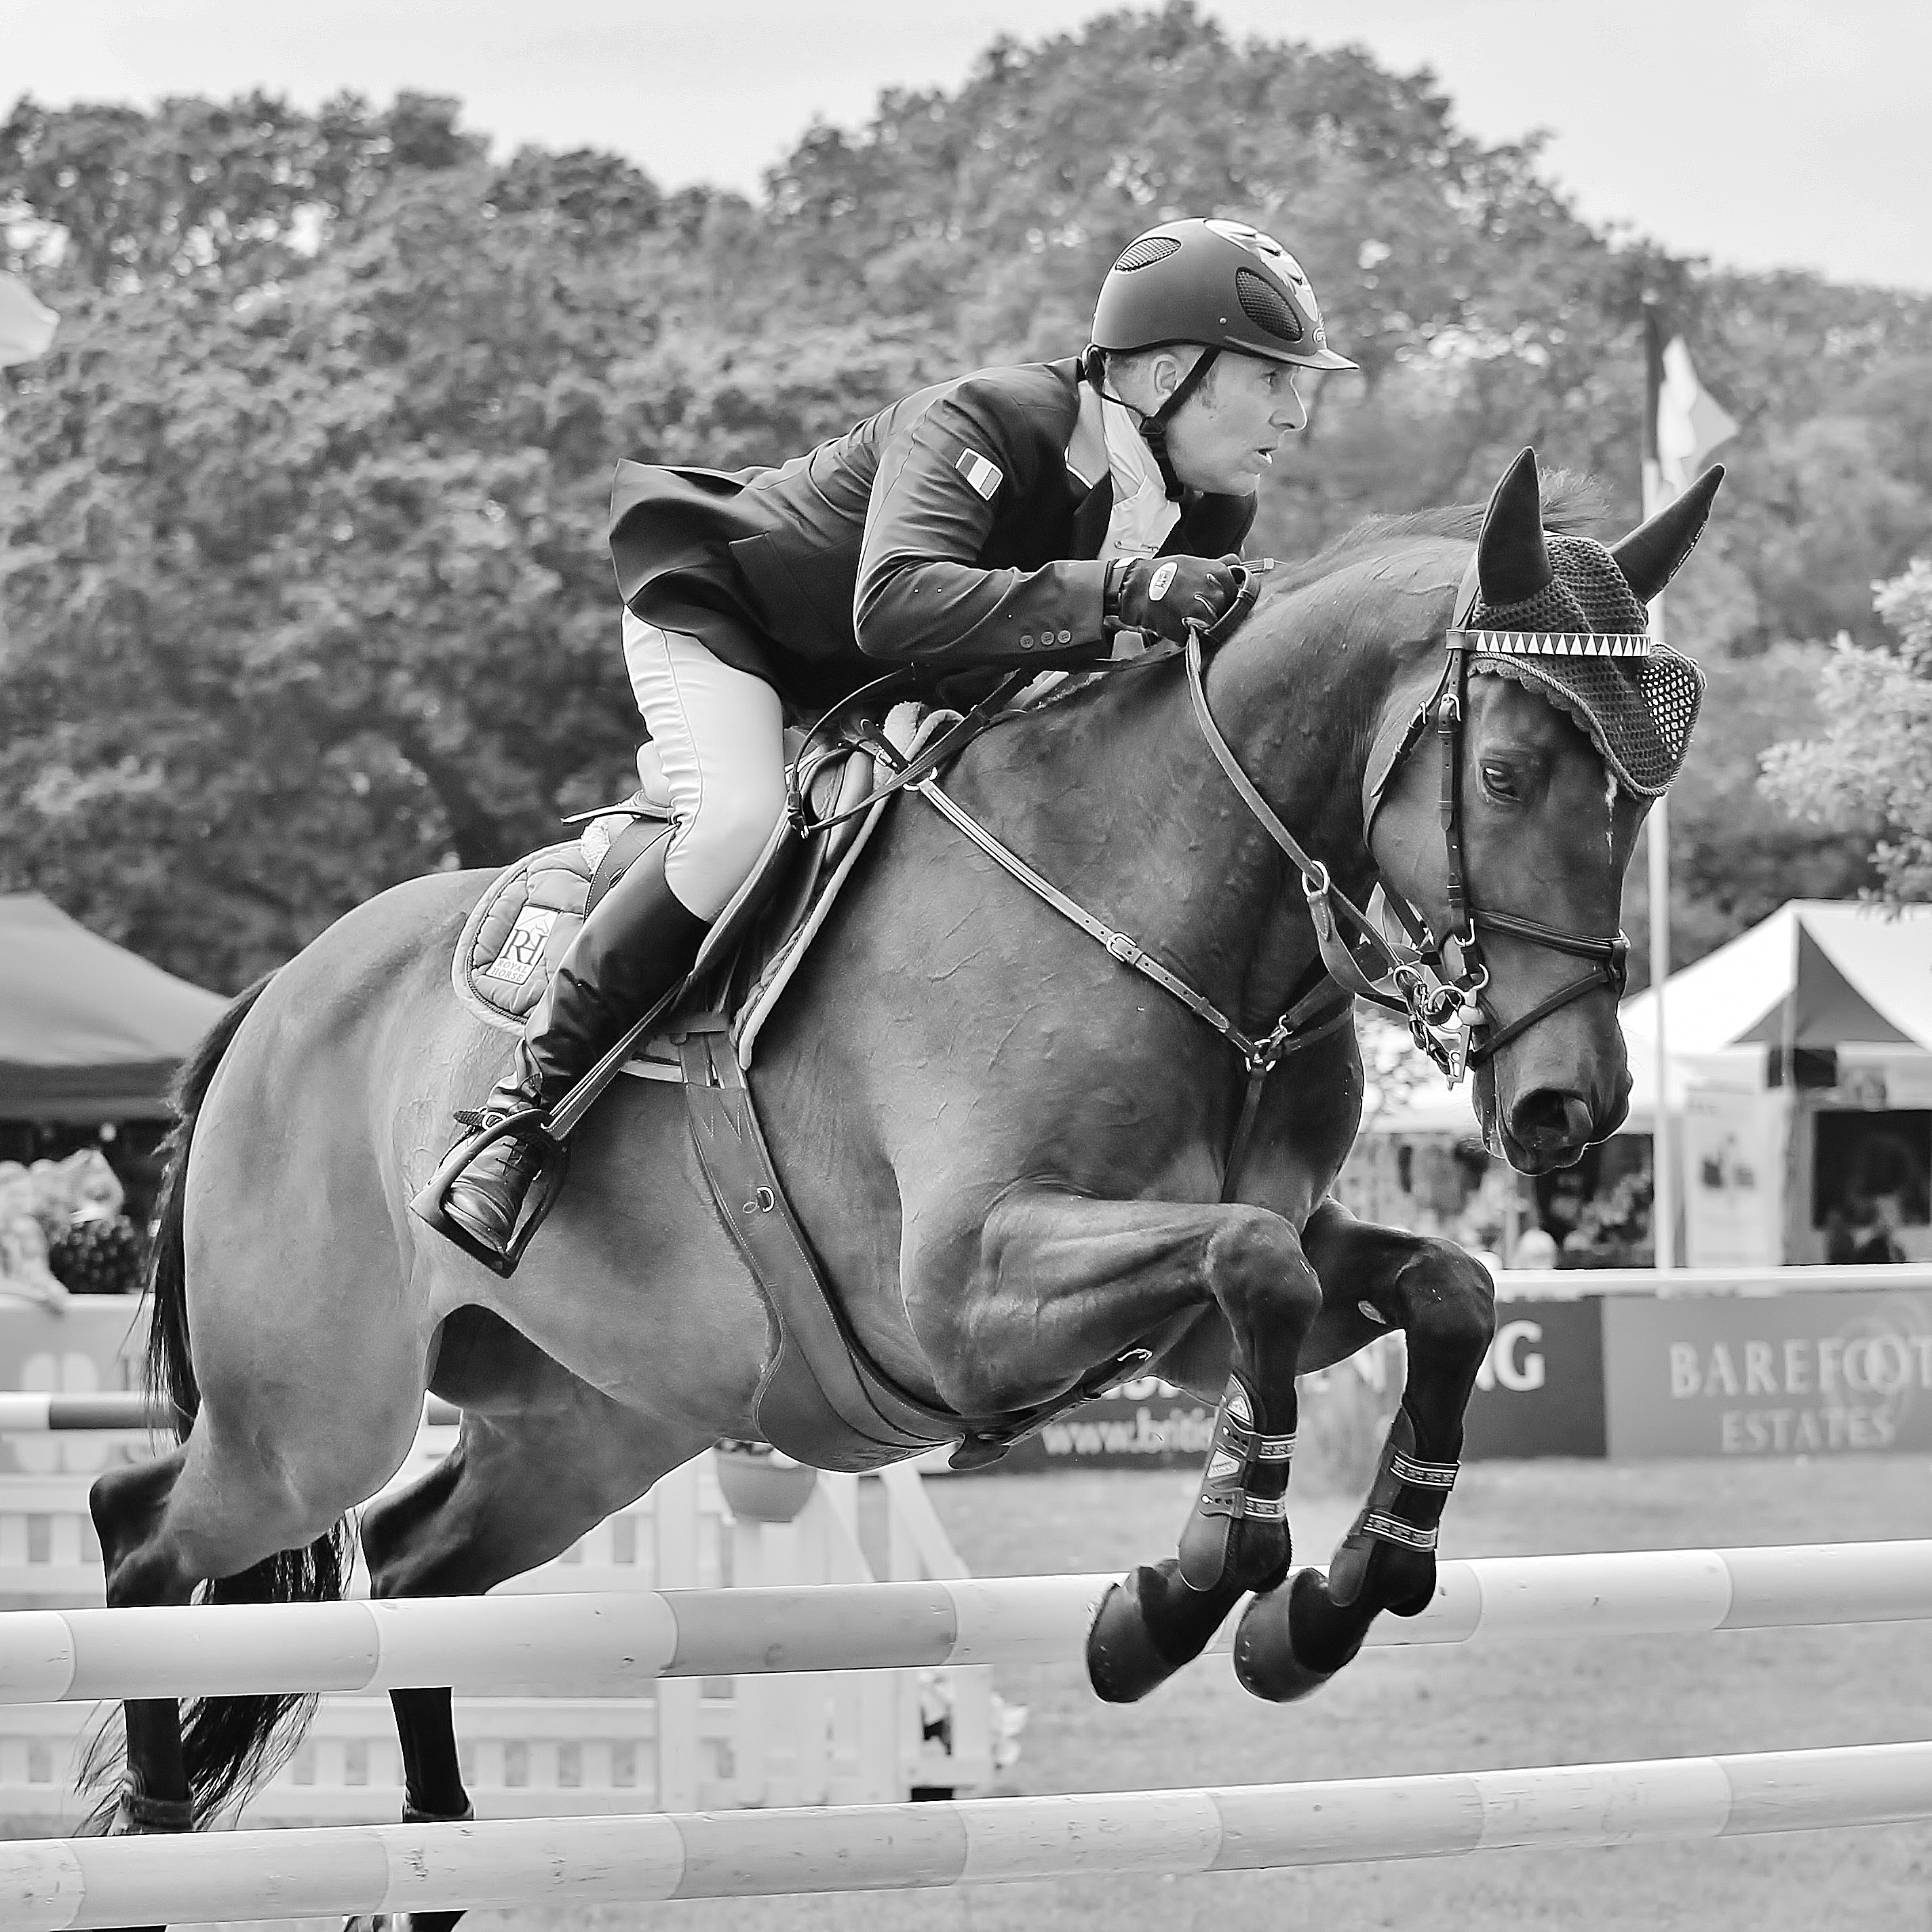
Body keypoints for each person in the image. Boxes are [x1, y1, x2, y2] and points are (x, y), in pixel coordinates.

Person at [423, 218, 1357, 1265]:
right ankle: (519, 1117)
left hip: (894, 688)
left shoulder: (1213, 507)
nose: (1295, 412)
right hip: (734, 623)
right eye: (1271, 379)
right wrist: (1125, 589)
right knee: (738, 826)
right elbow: (897, 601)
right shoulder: (989, 419)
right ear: (1171, 374)